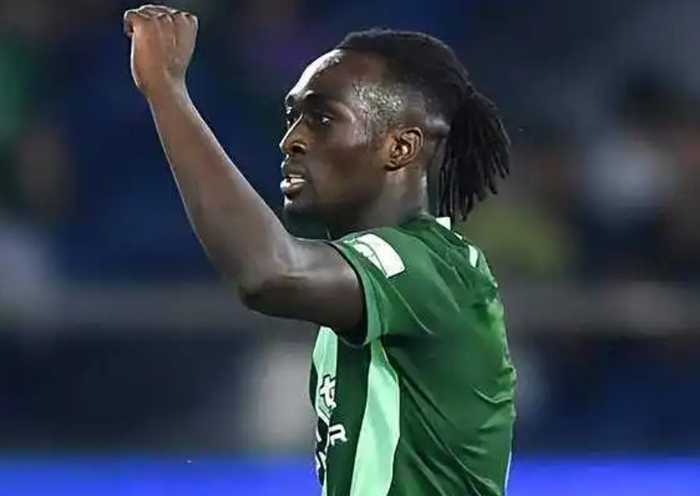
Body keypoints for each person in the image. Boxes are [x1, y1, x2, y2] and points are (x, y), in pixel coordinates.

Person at [123, 4, 516, 495]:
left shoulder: (432, 267)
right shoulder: (360, 291)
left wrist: (167, 91)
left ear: (400, 147)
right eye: (293, 118)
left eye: (323, 119)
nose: (290, 140)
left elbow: (269, 273)